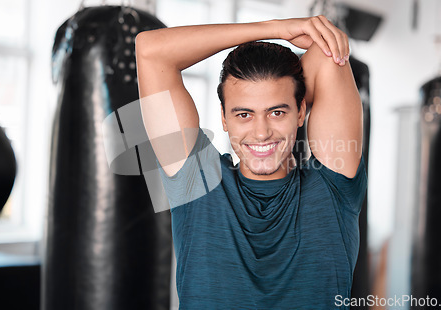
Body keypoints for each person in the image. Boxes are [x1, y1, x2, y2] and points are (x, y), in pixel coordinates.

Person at [135, 16, 367, 309]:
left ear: (300, 112)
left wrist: (280, 73)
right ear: (224, 118)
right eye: (244, 114)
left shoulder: (333, 188)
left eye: (277, 113)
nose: (261, 132)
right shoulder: (196, 180)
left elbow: (326, 53)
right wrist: (276, 29)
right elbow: (150, 50)